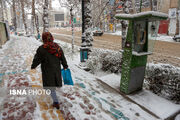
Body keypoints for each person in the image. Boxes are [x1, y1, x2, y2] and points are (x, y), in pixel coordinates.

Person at [31, 32, 68, 109]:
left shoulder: (42, 49)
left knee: (51, 86)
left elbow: (37, 59)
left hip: (47, 71)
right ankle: (55, 96)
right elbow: (62, 57)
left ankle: (56, 102)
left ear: (44, 39)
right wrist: (65, 65)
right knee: (54, 83)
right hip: (56, 69)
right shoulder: (57, 47)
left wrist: (33, 66)